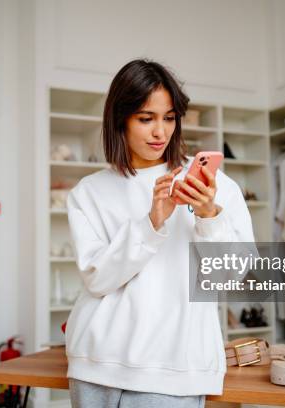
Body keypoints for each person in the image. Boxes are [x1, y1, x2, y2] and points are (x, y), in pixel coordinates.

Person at [65, 59, 255, 407]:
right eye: (145, 118)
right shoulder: (87, 192)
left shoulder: (217, 188)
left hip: (172, 368)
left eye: (169, 118)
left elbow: (231, 277)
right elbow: (97, 279)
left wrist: (208, 216)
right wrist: (151, 223)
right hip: (94, 364)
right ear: (119, 118)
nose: (160, 132)